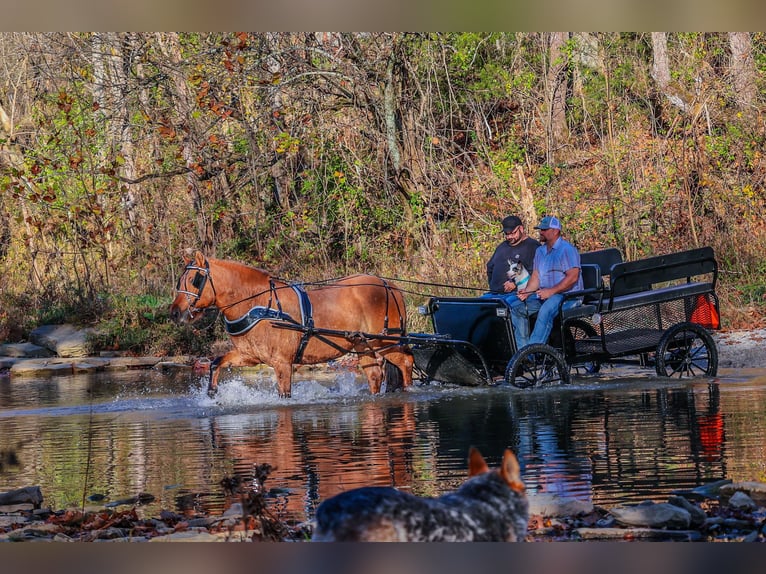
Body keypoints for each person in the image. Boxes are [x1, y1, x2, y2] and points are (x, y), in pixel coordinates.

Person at [511, 215, 583, 348]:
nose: (541, 232)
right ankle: (523, 354)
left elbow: (573, 277)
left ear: (555, 231)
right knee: (517, 308)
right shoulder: (540, 251)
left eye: (544, 229)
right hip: (544, 295)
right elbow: (536, 276)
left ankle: (534, 349)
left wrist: (551, 292)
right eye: (540, 229)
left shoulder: (567, 250)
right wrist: (527, 292)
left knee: (546, 310)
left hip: (568, 297)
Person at [484, 215, 540, 309]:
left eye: (512, 233)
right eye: (506, 234)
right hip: (494, 294)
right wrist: (493, 285)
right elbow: (490, 266)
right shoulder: (502, 246)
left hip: (516, 295)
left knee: (509, 306)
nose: (509, 237)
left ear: (521, 229)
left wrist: (515, 283)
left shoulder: (533, 246)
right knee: (477, 305)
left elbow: (535, 272)